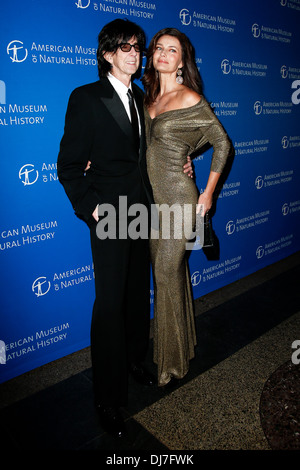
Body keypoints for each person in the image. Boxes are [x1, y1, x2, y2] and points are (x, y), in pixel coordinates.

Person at [57, 19, 192, 438]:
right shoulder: (87, 98)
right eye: (125, 47)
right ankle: (107, 396)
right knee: (109, 305)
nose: (135, 54)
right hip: (110, 215)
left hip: (144, 213)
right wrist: (92, 209)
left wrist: (183, 163)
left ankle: (135, 360)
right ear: (107, 55)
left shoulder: (141, 97)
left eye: (138, 47)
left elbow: (152, 156)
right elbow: (68, 167)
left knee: (136, 295)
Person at [142, 28, 231, 387]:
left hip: (179, 199)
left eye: (172, 50)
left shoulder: (189, 97)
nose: (164, 54)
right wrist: (187, 154)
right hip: (151, 203)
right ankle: (184, 344)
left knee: (164, 276)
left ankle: (171, 364)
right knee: (172, 275)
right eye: (159, 48)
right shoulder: (145, 99)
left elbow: (222, 143)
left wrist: (207, 194)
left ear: (182, 60)